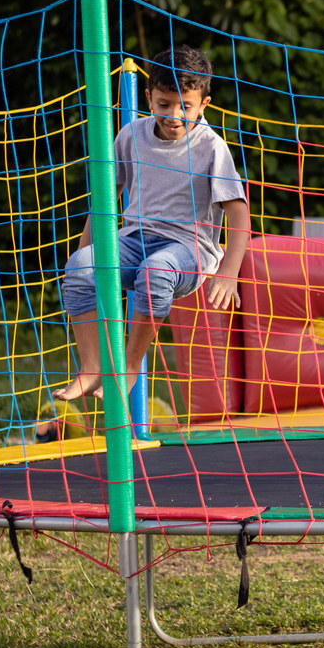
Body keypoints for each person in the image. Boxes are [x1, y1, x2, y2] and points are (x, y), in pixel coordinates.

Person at [53, 45, 250, 402]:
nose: (174, 115)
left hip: (189, 251)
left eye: (185, 106)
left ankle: (128, 366)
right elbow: (104, 200)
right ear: (149, 97)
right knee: (80, 266)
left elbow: (239, 213)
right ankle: (92, 367)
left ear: (204, 103)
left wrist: (229, 271)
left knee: (155, 271)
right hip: (136, 239)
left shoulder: (211, 147)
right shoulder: (131, 135)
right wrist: (86, 256)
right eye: (163, 104)